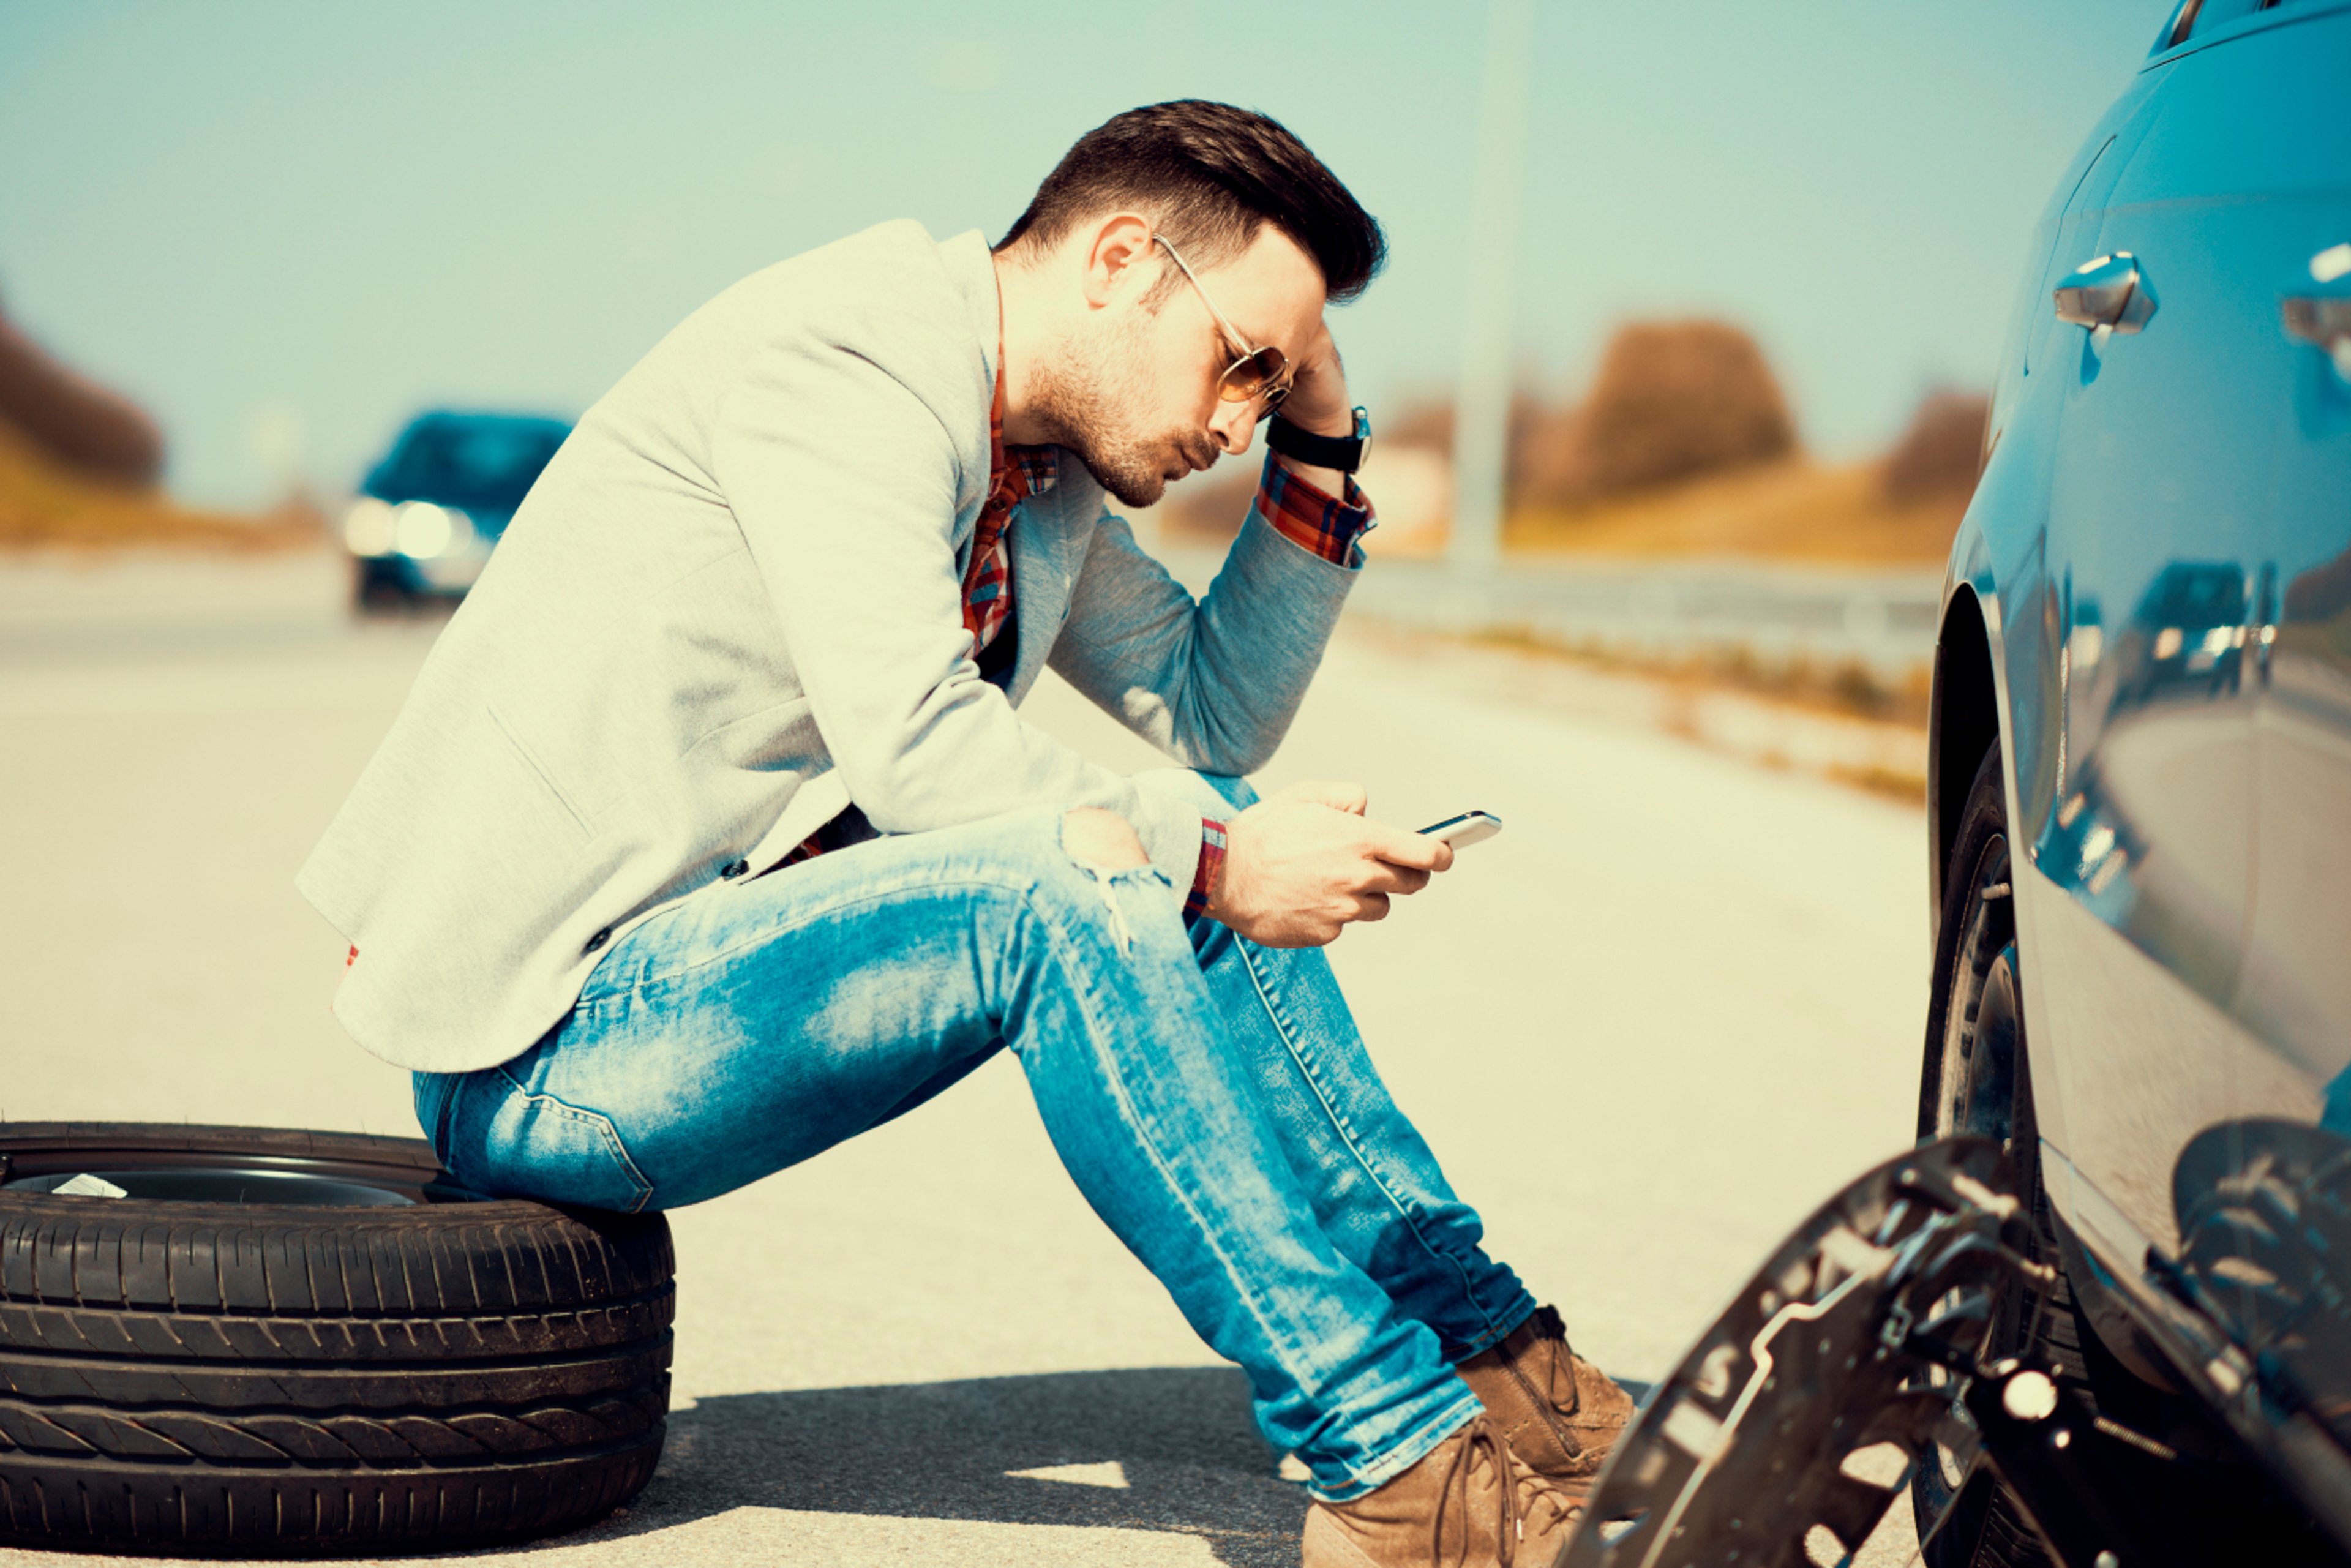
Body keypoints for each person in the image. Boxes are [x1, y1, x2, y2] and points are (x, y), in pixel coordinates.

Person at [298, 100, 1632, 1568]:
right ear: (1122, 261)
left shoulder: (1038, 468)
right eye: (1243, 363)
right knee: (1074, 883)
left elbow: (1211, 714)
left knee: (1195, 826)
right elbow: (918, 743)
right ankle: (1393, 1470)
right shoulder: (846, 363)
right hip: (548, 1044)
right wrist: (1221, 867)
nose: (1238, 416)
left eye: (1275, 383)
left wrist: (1323, 437)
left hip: (713, 981)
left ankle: (1499, 1362)